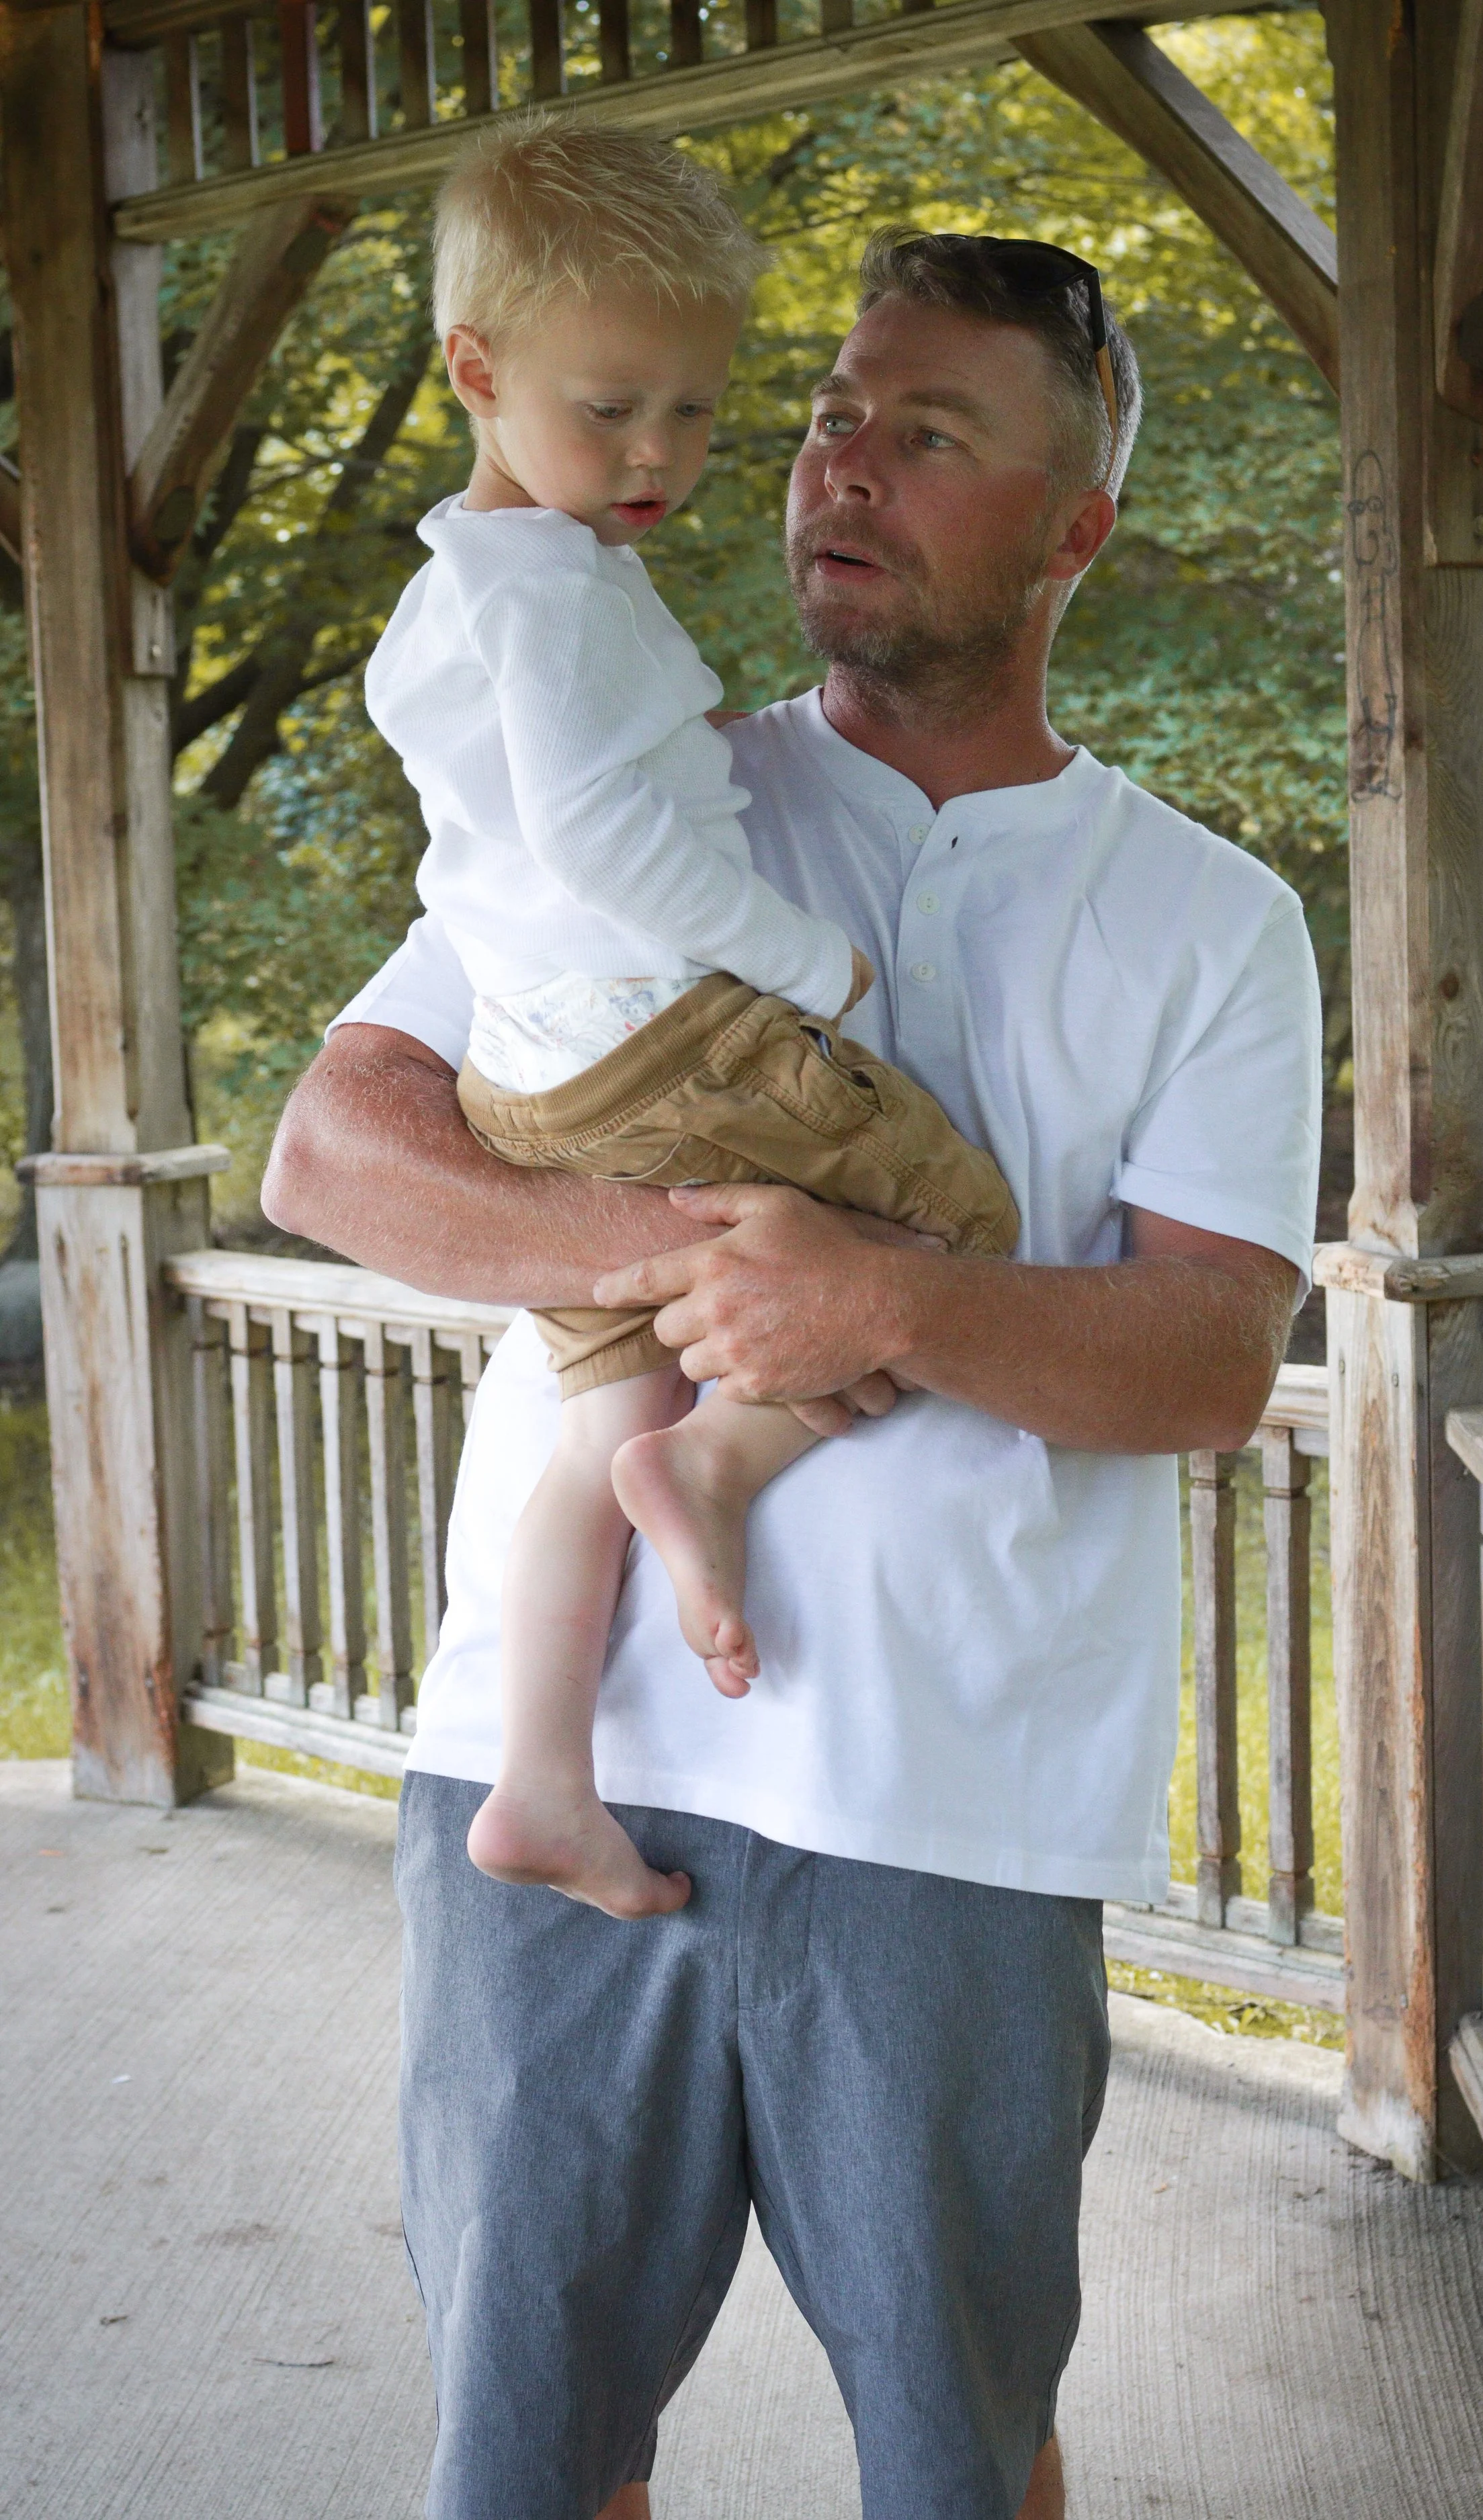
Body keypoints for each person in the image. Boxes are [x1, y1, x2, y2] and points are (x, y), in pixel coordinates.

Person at [265, 224, 1322, 2520]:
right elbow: (334, 1152)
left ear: (1073, 527)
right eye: (833, 417)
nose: (840, 464)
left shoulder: (1214, 919)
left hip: (957, 1811)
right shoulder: (629, 782)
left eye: (927, 434)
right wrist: (699, 1263)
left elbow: (1209, 1357)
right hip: (555, 1774)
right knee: (525, 2467)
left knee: (962, 2464)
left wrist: (885, 1299)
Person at [365, 123, 1021, 1920]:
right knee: (953, 1226)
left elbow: (498, 838)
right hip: (663, 1039)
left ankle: (541, 1782)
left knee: (598, 1421)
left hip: (529, 1076)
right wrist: (807, 965)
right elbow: (601, 839)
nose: (656, 453)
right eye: (611, 409)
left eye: (695, 413)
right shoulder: (556, 593)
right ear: (476, 372)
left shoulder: (452, 589)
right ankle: (721, 1463)